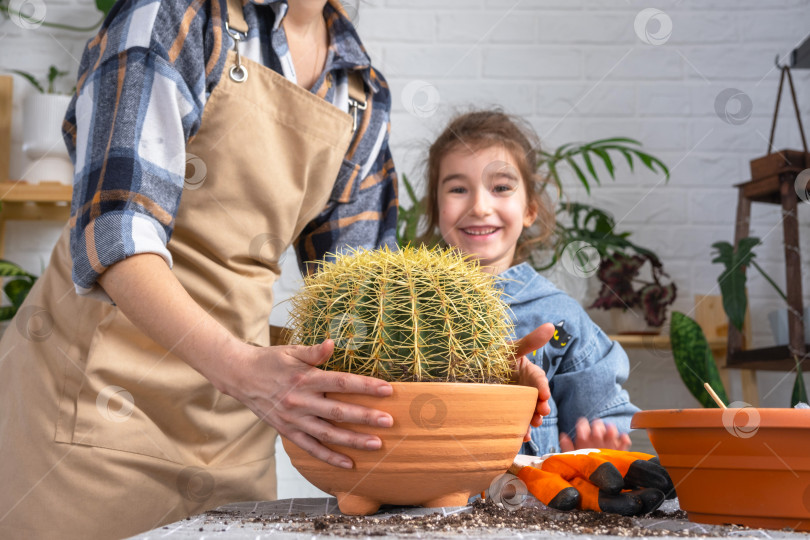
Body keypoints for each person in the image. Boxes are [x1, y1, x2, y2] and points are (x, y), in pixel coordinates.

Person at [0, 3, 553, 538]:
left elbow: (368, 307)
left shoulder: (358, 88)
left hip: (236, 425)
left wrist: (482, 376)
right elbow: (115, 232)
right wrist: (242, 370)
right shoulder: (178, 16)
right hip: (94, 412)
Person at [418, 109, 640, 456]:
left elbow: (603, 418)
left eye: (501, 187)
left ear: (529, 209)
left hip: (534, 508)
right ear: (435, 209)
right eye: (458, 188)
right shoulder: (406, 310)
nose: (479, 206)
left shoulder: (560, 317)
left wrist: (598, 441)